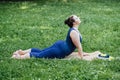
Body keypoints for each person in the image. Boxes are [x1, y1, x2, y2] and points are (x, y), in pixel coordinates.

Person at [11, 15, 110, 61]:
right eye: (77, 18)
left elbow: (77, 47)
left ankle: (22, 51)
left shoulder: (75, 30)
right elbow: (79, 47)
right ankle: (18, 57)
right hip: (58, 51)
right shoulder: (74, 32)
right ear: (74, 22)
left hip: (60, 46)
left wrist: (86, 54)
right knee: (39, 55)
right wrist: (81, 57)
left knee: (41, 52)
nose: (79, 18)